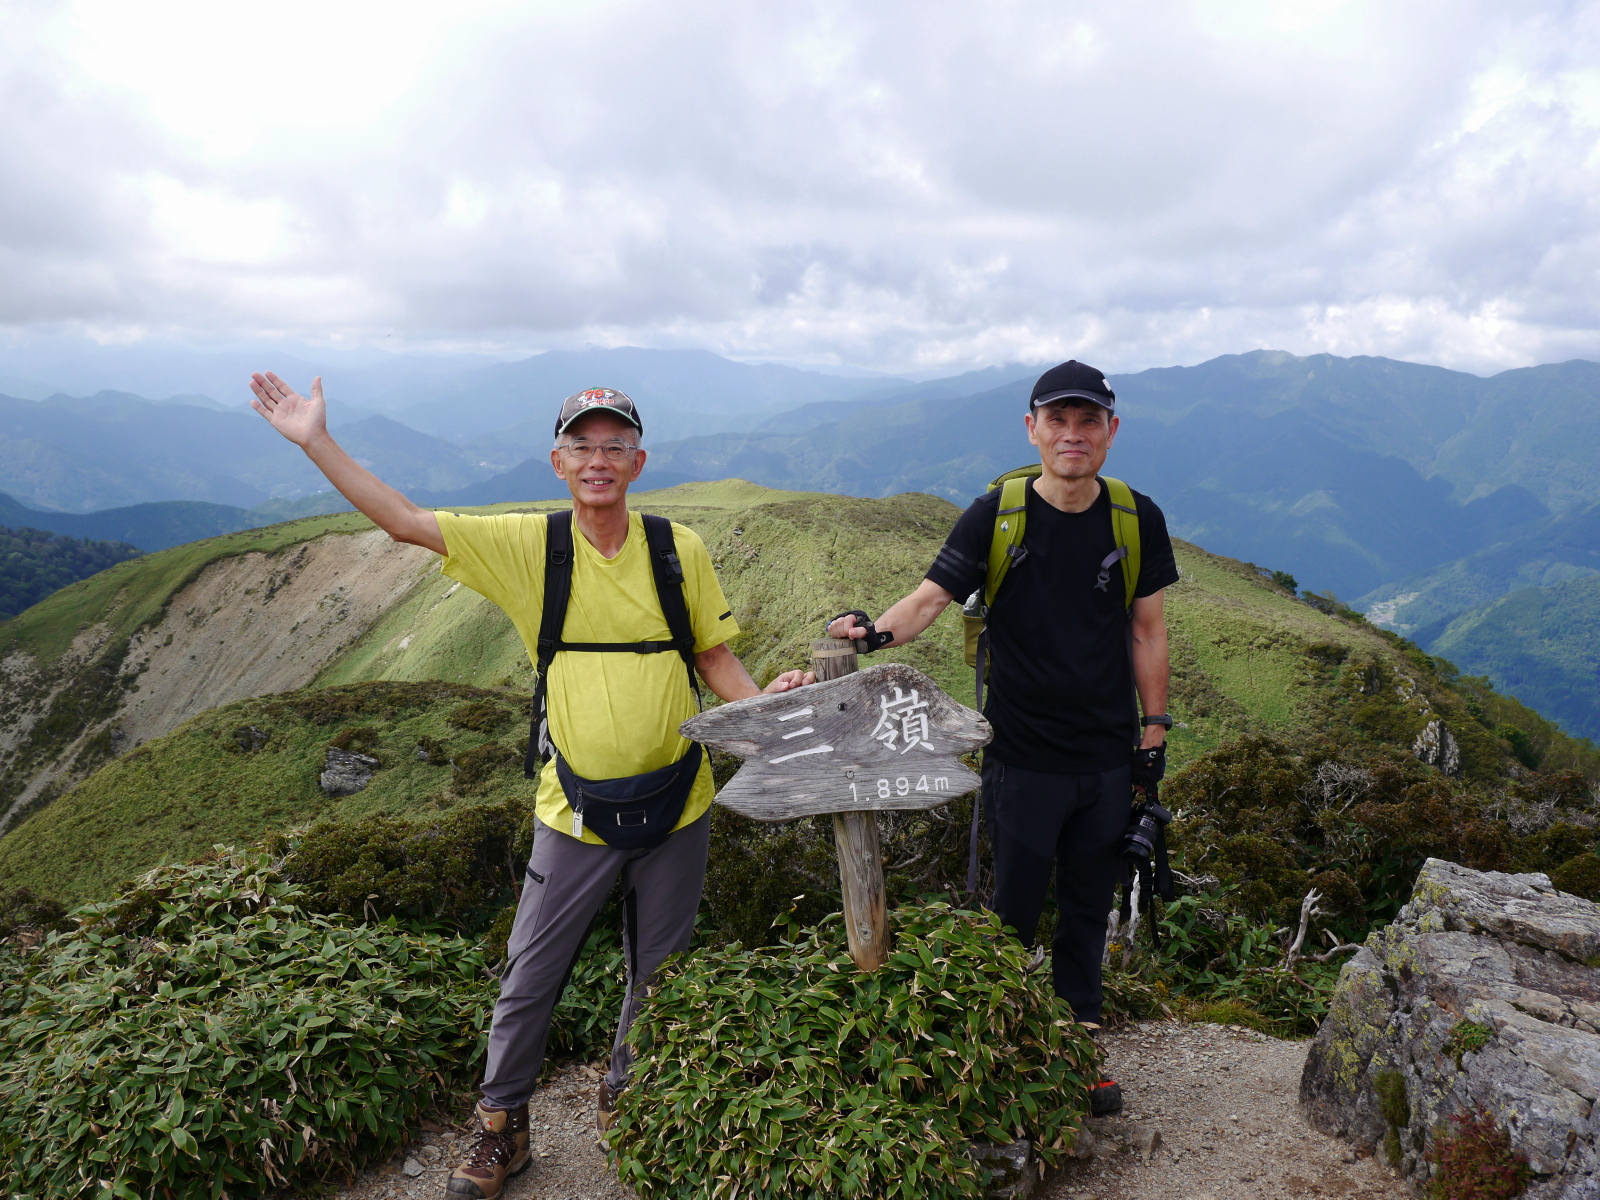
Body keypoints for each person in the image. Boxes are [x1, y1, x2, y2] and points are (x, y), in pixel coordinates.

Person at [247, 373, 813, 1200]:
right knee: (529, 977)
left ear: (639, 461)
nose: (598, 459)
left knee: (660, 974)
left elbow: (713, 657)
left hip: (680, 801)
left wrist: (765, 711)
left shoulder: (676, 548)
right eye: (582, 445)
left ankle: (631, 1098)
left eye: (614, 445)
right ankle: (502, 1128)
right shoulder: (529, 548)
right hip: (573, 809)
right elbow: (404, 522)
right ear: (558, 461)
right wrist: (316, 441)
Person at [826, 359, 1178, 1116]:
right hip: (1022, 754)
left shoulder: (1135, 517)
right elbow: (930, 599)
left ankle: (1078, 1047)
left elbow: (1147, 629)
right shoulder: (996, 515)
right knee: (1011, 910)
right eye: (1058, 420)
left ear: (1111, 431)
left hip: (1107, 755)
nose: (1073, 434)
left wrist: (1153, 733)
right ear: (1032, 429)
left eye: (1088, 421)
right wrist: (873, 632)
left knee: (1086, 907)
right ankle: (1006, 1047)